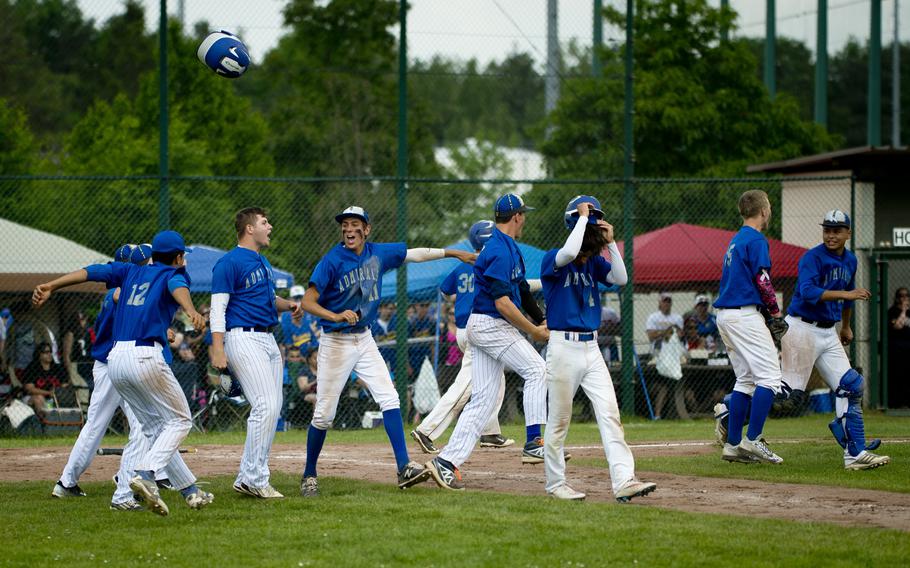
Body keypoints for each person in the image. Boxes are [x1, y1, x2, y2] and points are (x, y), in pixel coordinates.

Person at [298, 205, 476, 497]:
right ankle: (309, 475)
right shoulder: (331, 261)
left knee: (390, 397)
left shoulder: (377, 253)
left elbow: (416, 254)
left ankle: (404, 467)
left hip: (364, 338)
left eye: (356, 224)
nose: (349, 228)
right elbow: (308, 301)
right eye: (345, 224)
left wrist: (454, 253)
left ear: (366, 229)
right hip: (336, 341)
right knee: (324, 416)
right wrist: (335, 316)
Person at [32, 230, 213, 516]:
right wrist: (191, 310)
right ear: (178, 258)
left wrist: (52, 285)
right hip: (145, 356)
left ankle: (190, 490)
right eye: (183, 257)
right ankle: (146, 472)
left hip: (115, 359)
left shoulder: (129, 272)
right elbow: (179, 286)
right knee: (180, 421)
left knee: (153, 428)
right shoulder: (173, 273)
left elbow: (90, 271)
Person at [426, 194, 549, 491]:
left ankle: (446, 463)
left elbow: (521, 288)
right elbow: (504, 303)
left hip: (486, 326)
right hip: (490, 324)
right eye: (523, 214)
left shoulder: (509, 247)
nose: (525, 219)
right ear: (517, 217)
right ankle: (534, 441)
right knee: (537, 370)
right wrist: (533, 330)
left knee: (481, 401)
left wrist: (541, 317)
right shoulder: (498, 249)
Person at [540, 196, 656, 502]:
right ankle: (555, 484)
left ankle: (624, 480)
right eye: (588, 220)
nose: (593, 224)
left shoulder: (594, 261)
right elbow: (567, 252)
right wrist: (581, 219)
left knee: (609, 414)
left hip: (591, 348)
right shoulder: (553, 256)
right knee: (559, 420)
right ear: (574, 222)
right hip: (563, 347)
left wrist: (613, 243)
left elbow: (621, 278)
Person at [778, 210, 889, 470]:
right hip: (801, 328)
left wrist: (846, 327)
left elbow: (848, 296)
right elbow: (807, 292)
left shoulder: (850, 260)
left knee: (851, 385)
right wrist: (846, 294)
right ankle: (730, 413)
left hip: (828, 332)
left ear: (848, 233)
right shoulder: (812, 257)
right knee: (785, 397)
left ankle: (854, 452)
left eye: (837, 230)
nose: (831, 234)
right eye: (827, 229)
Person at [209, 207, 301, 499]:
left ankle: (250, 475)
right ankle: (254, 477)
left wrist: (289, 305)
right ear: (249, 229)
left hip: (267, 338)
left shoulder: (263, 262)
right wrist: (218, 348)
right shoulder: (229, 262)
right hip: (243, 337)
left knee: (272, 408)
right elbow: (217, 309)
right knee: (265, 405)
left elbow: (267, 298)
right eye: (264, 222)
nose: (270, 226)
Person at [410, 221, 515, 455]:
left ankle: (489, 431)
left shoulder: (463, 265)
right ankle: (427, 429)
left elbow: (446, 290)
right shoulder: (493, 262)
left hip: (464, 328)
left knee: (496, 378)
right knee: (466, 384)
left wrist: (463, 296)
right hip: (478, 329)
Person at [713, 189, 785, 464]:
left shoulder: (736, 240)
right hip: (744, 316)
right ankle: (753, 439)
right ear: (764, 211)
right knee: (769, 378)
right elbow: (763, 279)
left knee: (745, 379)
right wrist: (776, 313)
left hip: (726, 316)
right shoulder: (756, 239)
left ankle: (732, 445)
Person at [645, 292, 684, 420]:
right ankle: (657, 415)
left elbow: (679, 335)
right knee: (663, 386)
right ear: (659, 303)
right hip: (657, 353)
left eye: (668, 301)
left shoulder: (677, 317)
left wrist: (663, 333)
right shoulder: (653, 317)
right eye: (664, 301)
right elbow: (651, 335)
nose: (666, 303)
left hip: (674, 354)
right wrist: (667, 331)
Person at [22, 341, 70, 417]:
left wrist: (58, 392)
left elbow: (65, 385)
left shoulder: (58, 368)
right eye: (46, 352)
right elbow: (29, 389)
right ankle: (46, 422)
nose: (49, 354)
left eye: (50, 352)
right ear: (39, 354)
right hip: (32, 398)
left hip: (54, 398)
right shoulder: (32, 368)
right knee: (38, 398)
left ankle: (51, 420)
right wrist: (48, 393)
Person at [279, 285, 319, 358]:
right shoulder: (285, 316)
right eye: (295, 298)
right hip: (295, 355)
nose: (298, 301)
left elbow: (316, 337)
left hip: (311, 353)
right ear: (290, 299)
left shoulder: (310, 312)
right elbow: (288, 343)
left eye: (300, 298)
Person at [887, 287, 910, 408]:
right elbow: (897, 326)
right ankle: (897, 403)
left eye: (906, 296)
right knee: (898, 376)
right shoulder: (893, 311)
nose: (904, 298)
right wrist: (904, 311)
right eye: (901, 296)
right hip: (897, 350)